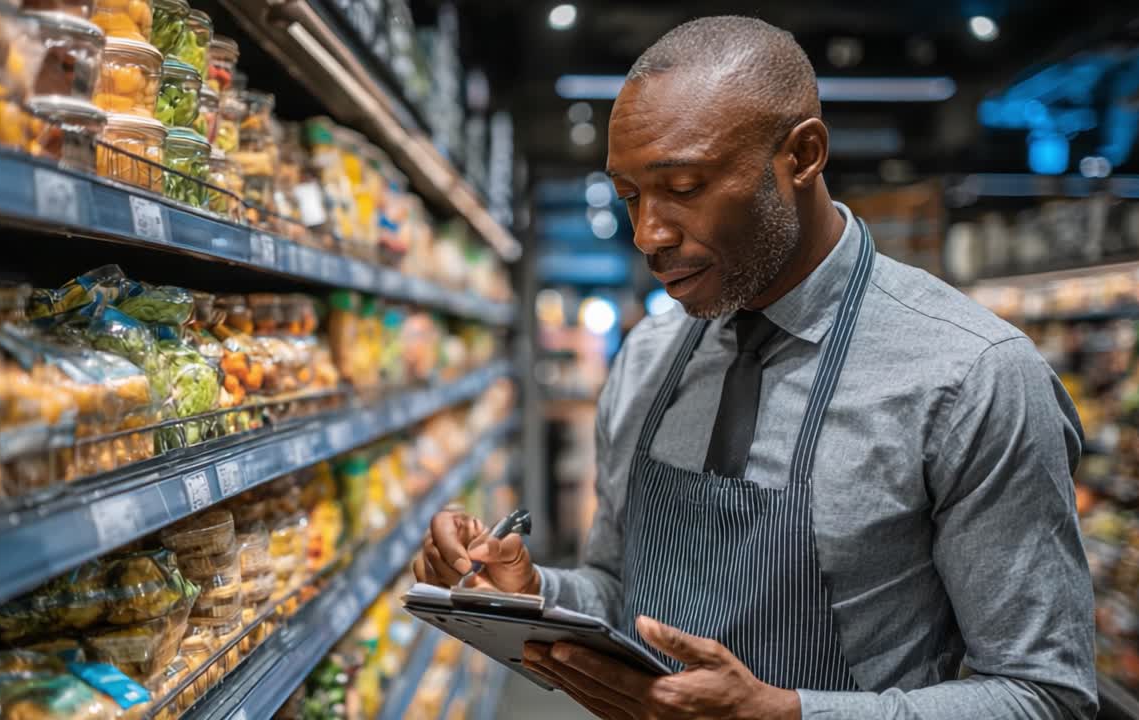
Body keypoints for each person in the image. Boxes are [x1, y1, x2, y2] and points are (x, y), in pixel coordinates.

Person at [413, 15, 1096, 720]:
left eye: (685, 185)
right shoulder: (649, 358)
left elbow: (1044, 694)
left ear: (801, 156)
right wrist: (530, 600)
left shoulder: (972, 377)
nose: (649, 232)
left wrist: (793, 715)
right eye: (629, 196)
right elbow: (620, 589)